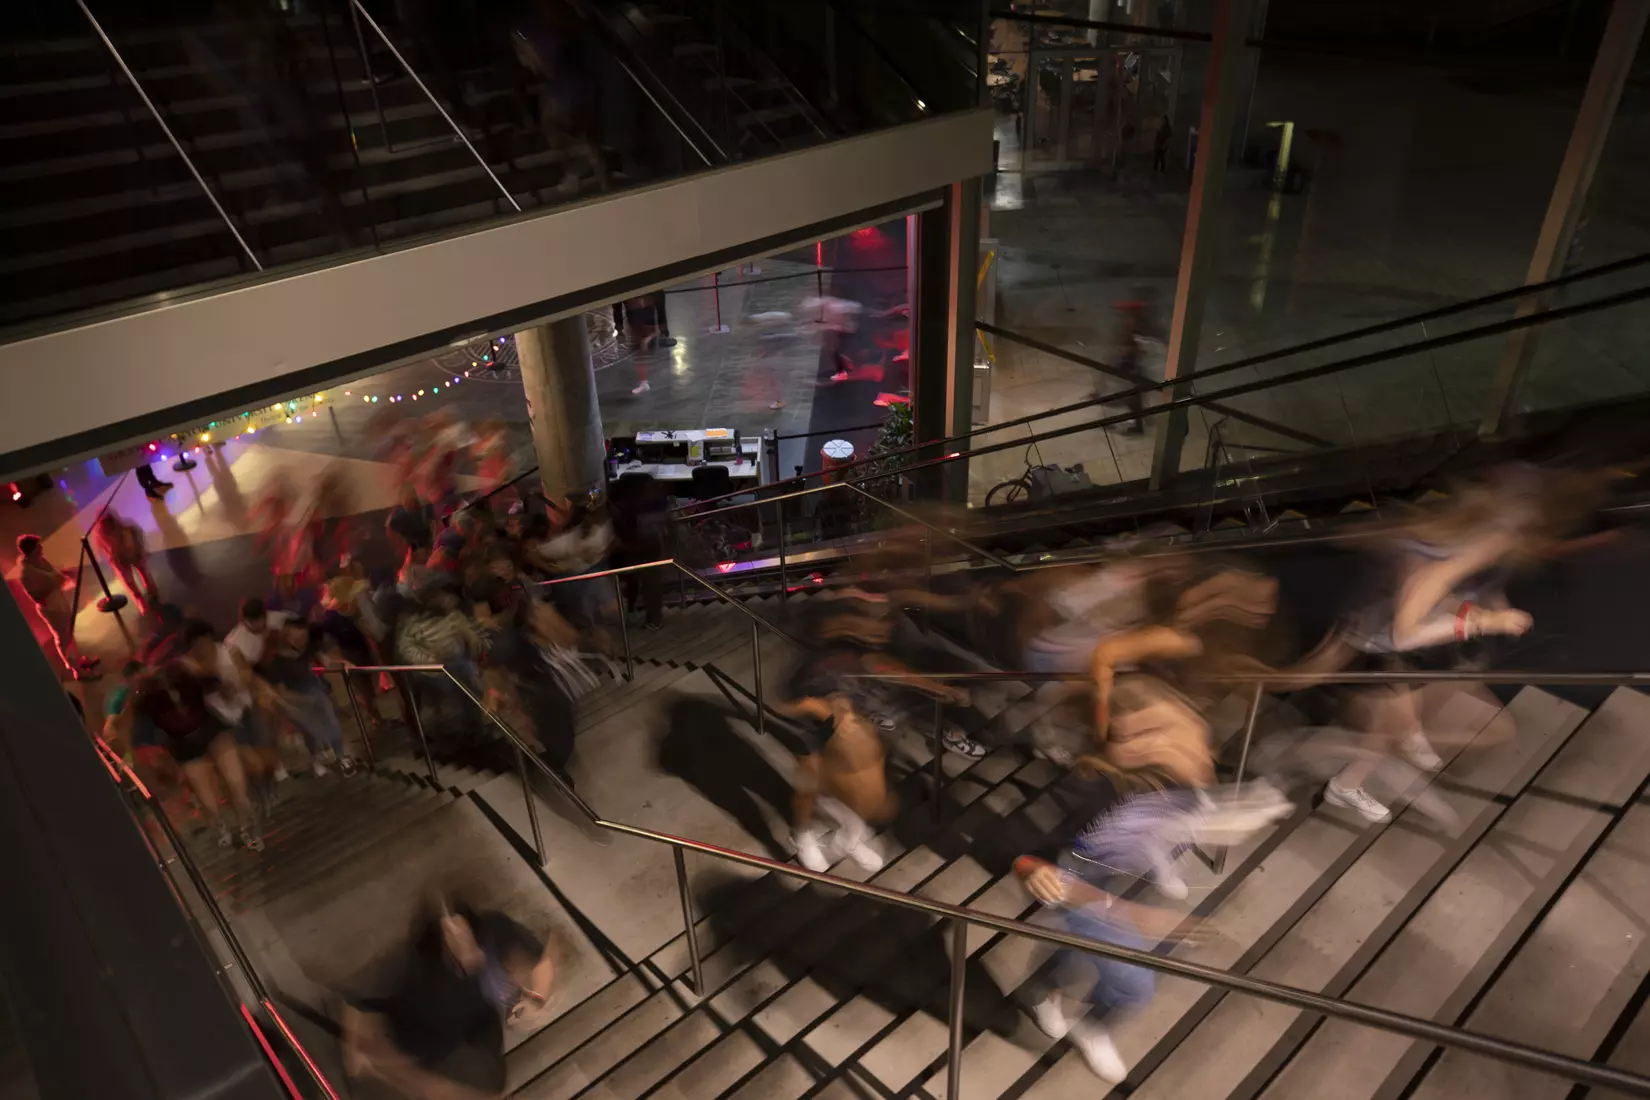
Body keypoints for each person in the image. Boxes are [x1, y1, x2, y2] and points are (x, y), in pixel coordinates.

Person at [342, 895, 554, 1100]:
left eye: (462, 928)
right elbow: (359, 1001)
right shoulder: (413, 975)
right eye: (449, 935)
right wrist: (357, 1048)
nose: (459, 937)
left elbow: (547, 955)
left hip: (475, 1037)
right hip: (431, 1051)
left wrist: (537, 997)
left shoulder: (494, 930)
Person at [132, 619, 262, 850]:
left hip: (209, 730)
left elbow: (216, 683)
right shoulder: (145, 697)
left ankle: (247, 828)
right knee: (208, 798)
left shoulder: (187, 676)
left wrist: (225, 686)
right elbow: (141, 729)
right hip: (184, 744)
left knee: (237, 784)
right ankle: (220, 825)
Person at [262, 618, 358, 778]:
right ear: (287, 638)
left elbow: (326, 660)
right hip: (297, 702)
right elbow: (282, 692)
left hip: (316, 691)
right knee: (313, 733)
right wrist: (296, 704)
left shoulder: (307, 649)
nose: (302, 642)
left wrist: (342, 664)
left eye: (304, 638)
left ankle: (341, 757)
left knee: (332, 723)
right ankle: (317, 759)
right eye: (298, 639)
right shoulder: (277, 662)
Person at [14, 534, 100, 680]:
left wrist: (59, 578)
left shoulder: (39, 561)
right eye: (38, 546)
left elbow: (55, 576)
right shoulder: (27, 573)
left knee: (69, 633)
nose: (41, 548)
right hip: (51, 608)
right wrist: (56, 581)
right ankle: (77, 670)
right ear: (32, 549)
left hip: (58, 602)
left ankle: (78, 660)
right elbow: (39, 592)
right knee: (63, 638)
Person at [92, 511, 160, 615]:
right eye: (103, 523)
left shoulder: (127, 526)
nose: (107, 525)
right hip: (119, 560)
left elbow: (139, 535)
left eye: (108, 521)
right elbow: (101, 552)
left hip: (135, 553)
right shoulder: (100, 535)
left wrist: (141, 549)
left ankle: (153, 595)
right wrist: (111, 560)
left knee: (145, 575)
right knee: (130, 584)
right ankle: (141, 602)